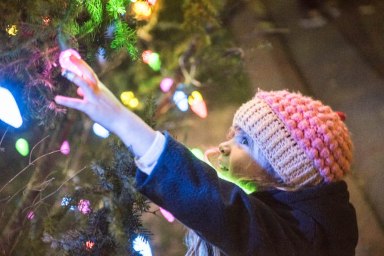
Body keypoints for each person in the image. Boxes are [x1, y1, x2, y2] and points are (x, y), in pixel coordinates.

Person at [55, 49, 358, 255]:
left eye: (245, 142)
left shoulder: (308, 236)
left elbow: (225, 211)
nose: (227, 145)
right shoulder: (309, 207)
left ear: (286, 170)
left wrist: (120, 119)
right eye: (234, 134)